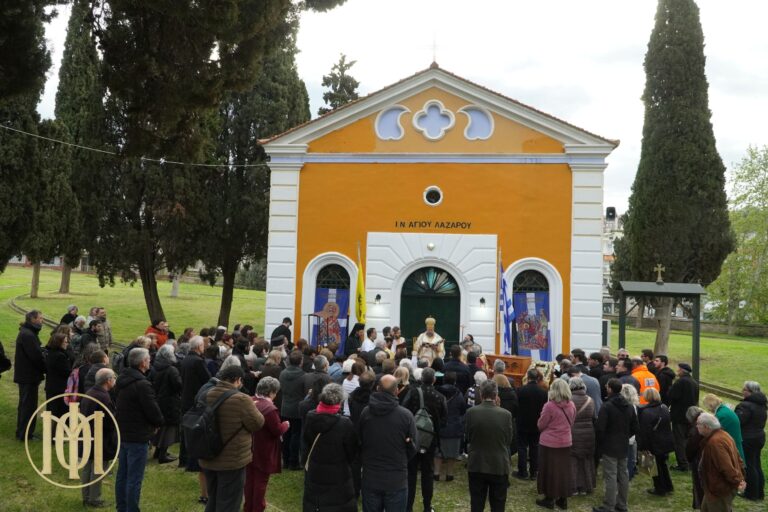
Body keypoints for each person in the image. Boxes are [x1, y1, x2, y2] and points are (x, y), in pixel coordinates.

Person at [199, 365, 265, 512]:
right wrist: (253, 408)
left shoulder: (206, 394)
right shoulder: (242, 399)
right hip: (232, 459)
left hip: (208, 455)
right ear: (238, 380)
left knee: (213, 499)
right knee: (229, 502)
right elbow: (258, 423)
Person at [357, 374, 417, 512]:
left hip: (372, 476)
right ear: (397, 391)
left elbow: (359, 442)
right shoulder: (405, 416)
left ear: (378, 389)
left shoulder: (366, 413)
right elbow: (413, 447)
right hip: (395, 478)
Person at [114, 348, 164, 512]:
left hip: (123, 431)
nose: (150, 361)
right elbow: (152, 410)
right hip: (137, 435)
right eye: (148, 359)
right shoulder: (142, 384)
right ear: (143, 363)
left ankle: (122, 507)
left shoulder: (122, 379)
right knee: (133, 477)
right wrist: (158, 422)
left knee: (123, 474)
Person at [303, 383, 359, 512]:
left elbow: (306, 440)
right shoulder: (344, 423)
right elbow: (352, 451)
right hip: (338, 472)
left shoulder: (310, 417)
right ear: (339, 401)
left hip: (316, 468)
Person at [465, 379, 514, 512]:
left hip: (477, 463)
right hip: (498, 464)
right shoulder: (506, 415)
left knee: (476, 502)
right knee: (498, 504)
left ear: (481, 394)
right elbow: (508, 440)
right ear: (496, 395)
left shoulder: (471, 412)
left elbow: (468, 437)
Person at [402, 368, 447, 512]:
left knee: (411, 473)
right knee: (427, 473)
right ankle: (427, 506)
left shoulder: (413, 393)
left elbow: (403, 411)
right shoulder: (440, 397)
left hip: (412, 437)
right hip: (430, 439)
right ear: (434, 379)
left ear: (421, 378)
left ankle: (408, 506)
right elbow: (444, 420)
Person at [592, 378, 638, 512]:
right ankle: (622, 504)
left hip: (610, 445)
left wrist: (603, 441)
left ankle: (609, 505)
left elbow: (600, 428)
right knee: (623, 474)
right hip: (623, 444)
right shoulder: (629, 406)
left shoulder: (607, 406)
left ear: (610, 389)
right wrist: (624, 436)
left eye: (607, 386)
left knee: (611, 476)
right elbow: (635, 427)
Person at [245, 377, 289, 512]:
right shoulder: (270, 409)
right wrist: (285, 425)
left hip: (248, 446)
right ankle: (258, 508)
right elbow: (276, 430)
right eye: (275, 393)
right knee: (261, 481)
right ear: (271, 392)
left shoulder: (249, 400)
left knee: (249, 480)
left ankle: (248, 507)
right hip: (263, 449)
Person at [179, 336, 212, 501]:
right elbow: (208, 379)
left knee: (185, 430)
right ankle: (191, 461)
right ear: (199, 347)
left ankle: (183, 459)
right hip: (195, 399)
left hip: (185, 398)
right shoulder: (198, 361)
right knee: (195, 432)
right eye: (203, 346)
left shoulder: (186, 359)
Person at [80, 368, 118, 508]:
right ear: (108, 380)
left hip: (87, 435)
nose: (115, 380)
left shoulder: (90, 392)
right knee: (97, 469)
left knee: (87, 468)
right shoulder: (103, 397)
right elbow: (110, 421)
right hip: (100, 438)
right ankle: (94, 498)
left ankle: (86, 496)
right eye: (114, 377)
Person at [535, 379, 576, 510]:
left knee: (549, 470)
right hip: (565, 441)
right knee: (563, 470)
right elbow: (572, 422)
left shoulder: (550, 406)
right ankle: (562, 499)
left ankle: (549, 498)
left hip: (549, 443)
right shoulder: (571, 405)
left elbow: (541, 424)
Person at [696, 412, 746, 511]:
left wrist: (737, 481)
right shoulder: (724, 434)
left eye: (698, 424)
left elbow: (726, 467)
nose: (696, 426)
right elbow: (738, 458)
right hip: (714, 488)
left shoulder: (715, 442)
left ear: (706, 427)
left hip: (719, 489)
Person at [14, 310, 47, 441]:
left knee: (25, 405)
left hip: (27, 375)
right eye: (40, 318)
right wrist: (46, 368)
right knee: (28, 406)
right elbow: (36, 356)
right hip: (28, 376)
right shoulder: (28, 335)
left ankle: (22, 432)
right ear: (32, 319)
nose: (42, 321)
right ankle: (25, 434)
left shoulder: (28, 333)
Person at [637, 388, 674, 496]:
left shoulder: (646, 412)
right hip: (665, 440)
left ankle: (659, 488)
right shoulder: (664, 407)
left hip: (653, 443)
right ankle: (668, 486)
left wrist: (643, 447)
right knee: (663, 465)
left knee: (654, 467)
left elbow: (644, 431)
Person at [150, 344, 182, 464]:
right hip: (170, 402)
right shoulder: (171, 369)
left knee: (161, 427)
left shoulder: (155, 367)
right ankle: (162, 455)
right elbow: (178, 385)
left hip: (158, 400)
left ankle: (157, 452)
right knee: (169, 429)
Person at [735, 380, 766, 501]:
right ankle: (759, 493)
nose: (742, 391)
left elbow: (738, 421)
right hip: (759, 437)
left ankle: (751, 493)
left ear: (751, 392)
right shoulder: (762, 404)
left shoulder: (745, 405)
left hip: (748, 438)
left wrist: (733, 413)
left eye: (744, 389)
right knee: (756, 464)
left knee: (749, 465)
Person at [516, 368, 548, 480]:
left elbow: (517, 406)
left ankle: (522, 472)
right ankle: (534, 472)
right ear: (537, 378)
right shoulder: (543, 392)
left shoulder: (520, 390)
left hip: (522, 423)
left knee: (522, 447)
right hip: (536, 423)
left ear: (528, 377)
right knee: (535, 447)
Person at [435, 370, 467, 482]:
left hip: (439, 426)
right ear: (455, 381)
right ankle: (449, 474)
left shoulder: (437, 393)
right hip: (454, 426)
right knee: (452, 452)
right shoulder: (459, 395)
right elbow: (463, 410)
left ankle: (436, 473)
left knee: (438, 451)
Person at [669, 362, 699, 471]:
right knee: (687, 440)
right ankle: (688, 461)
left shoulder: (680, 382)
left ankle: (682, 464)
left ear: (682, 370)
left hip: (679, 416)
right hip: (690, 416)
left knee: (679, 441)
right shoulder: (694, 382)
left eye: (678, 369)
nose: (677, 371)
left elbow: (672, 396)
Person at [569, 377, 596, 496]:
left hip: (573, 432)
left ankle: (573, 487)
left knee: (573, 459)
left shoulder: (569, 400)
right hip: (589, 432)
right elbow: (593, 416)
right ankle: (586, 486)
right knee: (586, 459)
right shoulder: (590, 400)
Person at [279, 350, 306, 470]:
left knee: (286, 434)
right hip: (297, 409)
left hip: (285, 407)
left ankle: (286, 460)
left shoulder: (283, 373)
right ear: (301, 362)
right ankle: (293, 462)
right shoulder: (303, 375)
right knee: (296, 435)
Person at [703, 393, 745, 462]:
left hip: (731, 447)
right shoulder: (724, 410)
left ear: (711, 405)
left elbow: (714, 432)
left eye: (708, 408)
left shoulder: (721, 415)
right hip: (734, 443)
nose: (708, 410)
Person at [44, 332, 73, 418]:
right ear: (59, 343)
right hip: (59, 387)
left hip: (51, 385)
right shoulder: (60, 356)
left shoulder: (50, 353)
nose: (67, 343)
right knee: (59, 411)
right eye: (65, 342)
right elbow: (66, 372)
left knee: (52, 409)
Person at [685, 406, 706, 509]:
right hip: (705, 457)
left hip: (698, 459)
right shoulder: (705, 421)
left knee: (699, 485)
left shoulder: (696, 428)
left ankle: (700, 505)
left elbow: (691, 447)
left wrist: (688, 458)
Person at [620, 384, 640, 480]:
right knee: (631, 457)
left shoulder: (625, 407)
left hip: (623, 436)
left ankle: (626, 475)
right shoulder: (634, 406)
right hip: (630, 436)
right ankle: (630, 473)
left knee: (626, 458)